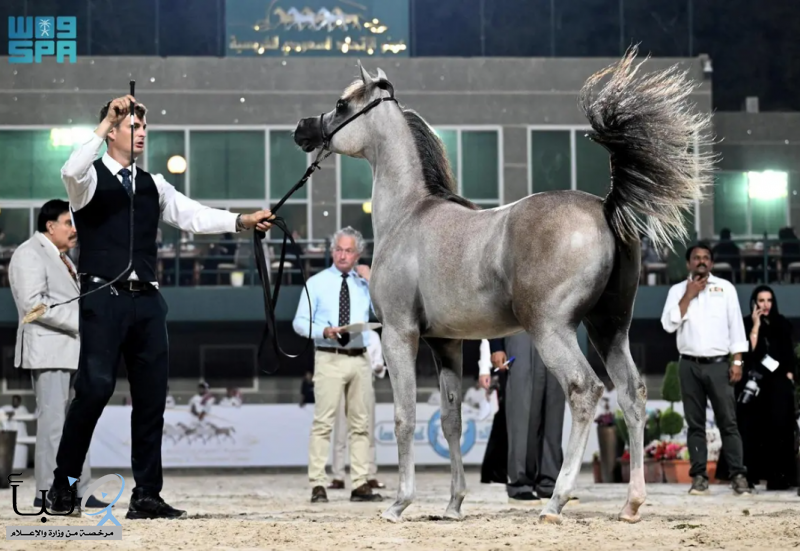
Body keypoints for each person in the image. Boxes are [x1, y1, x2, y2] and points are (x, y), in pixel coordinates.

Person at [47, 94, 274, 519]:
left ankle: (147, 495)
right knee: (94, 390)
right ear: (112, 131)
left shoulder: (154, 183)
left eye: (144, 128)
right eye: (132, 127)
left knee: (151, 400)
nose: (141, 134)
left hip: (148, 301)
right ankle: (64, 484)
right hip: (103, 298)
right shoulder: (88, 179)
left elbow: (192, 215)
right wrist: (104, 122)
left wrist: (240, 221)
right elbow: (69, 170)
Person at [8, 200, 107, 508]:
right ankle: (46, 493)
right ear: (50, 226)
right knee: (53, 426)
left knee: (79, 424)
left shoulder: (63, 257)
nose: (74, 229)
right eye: (68, 223)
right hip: (48, 351)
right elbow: (33, 306)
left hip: (73, 351)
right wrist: (81, 323)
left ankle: (80, 491)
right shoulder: (29, 253)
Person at [292, 226, 382, 504]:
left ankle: (360, 484)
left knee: (361, 425)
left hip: (360, 358)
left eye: (349, 251)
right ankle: (318, 484)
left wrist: (373, 281)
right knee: (323, 424)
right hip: (328, 357)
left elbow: (384, 313)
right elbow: (299, 322)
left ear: (358, 254)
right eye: (339, 250)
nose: (343, 255)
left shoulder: (364, 283)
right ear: (332, 251)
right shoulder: (316, 283)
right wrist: (323, 331)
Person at [660, 242, 751, 496]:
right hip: (688, 364)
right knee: (695, 425)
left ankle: (738, 476)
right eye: (696, 257)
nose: (701, 261)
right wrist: (688, 296)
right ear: (689, 263)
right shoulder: (677, 290)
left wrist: (737, 362)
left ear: (711, 263)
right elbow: (668, 325)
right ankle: (699, 477)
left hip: (719, 365)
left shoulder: (726, 288)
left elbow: (736, 327)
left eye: (705, 257)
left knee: (728, 423)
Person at [728, 286, 797, 490]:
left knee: (779, 428)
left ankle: (779, 478)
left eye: (769, 300)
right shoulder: (746, 323)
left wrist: (789, 374)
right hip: (754, 383)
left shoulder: (782, 323)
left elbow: (787, 354)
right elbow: (749, 351)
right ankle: (750, 475)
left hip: (777, 383)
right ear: (754, 303)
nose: (765, 305)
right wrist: (756, 326)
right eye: (761, 300)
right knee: (751, 428)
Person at [489, 333, 566, 504]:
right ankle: (520, 484)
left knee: (553, 413)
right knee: (522, 413)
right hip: (520, 330)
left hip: (556, 332)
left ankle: (549, 483)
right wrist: (496, 345)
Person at [329, 329, 386, 490]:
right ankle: (338, 476)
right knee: (340, 433)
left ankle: (370, 475)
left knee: (368, 432)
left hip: (365, 385)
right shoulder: (338, 333)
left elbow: (378, 362)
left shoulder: (372, 336)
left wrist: (378, 367)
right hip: (342, 385)